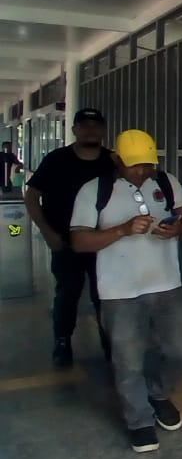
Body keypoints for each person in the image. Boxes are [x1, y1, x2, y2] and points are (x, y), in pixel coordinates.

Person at [69, 129, 182, 454]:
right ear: (116, 159)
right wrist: (122, 230)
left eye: (148, 165)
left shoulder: (166, 182)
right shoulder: (94, 190)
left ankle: (158, 393)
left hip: (166, 285)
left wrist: (177, 229)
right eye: (134, 165)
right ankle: (139, 420)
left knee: (181, 349)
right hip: (118, 292)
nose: (142, 171)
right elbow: (79, 241)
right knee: (128, 361)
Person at [24, 108, 117, 367]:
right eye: (84, 125)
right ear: (74, 130)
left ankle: (110, 343)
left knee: (105, 295)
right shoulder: (56, 160)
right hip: (65, 242)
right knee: (67, 293)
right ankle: (62, 342)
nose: (90, 130)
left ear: (103, 130)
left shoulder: (113, 161)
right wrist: (47, 232)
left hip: (103, 243)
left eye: (95, 126)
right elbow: (31, 197)